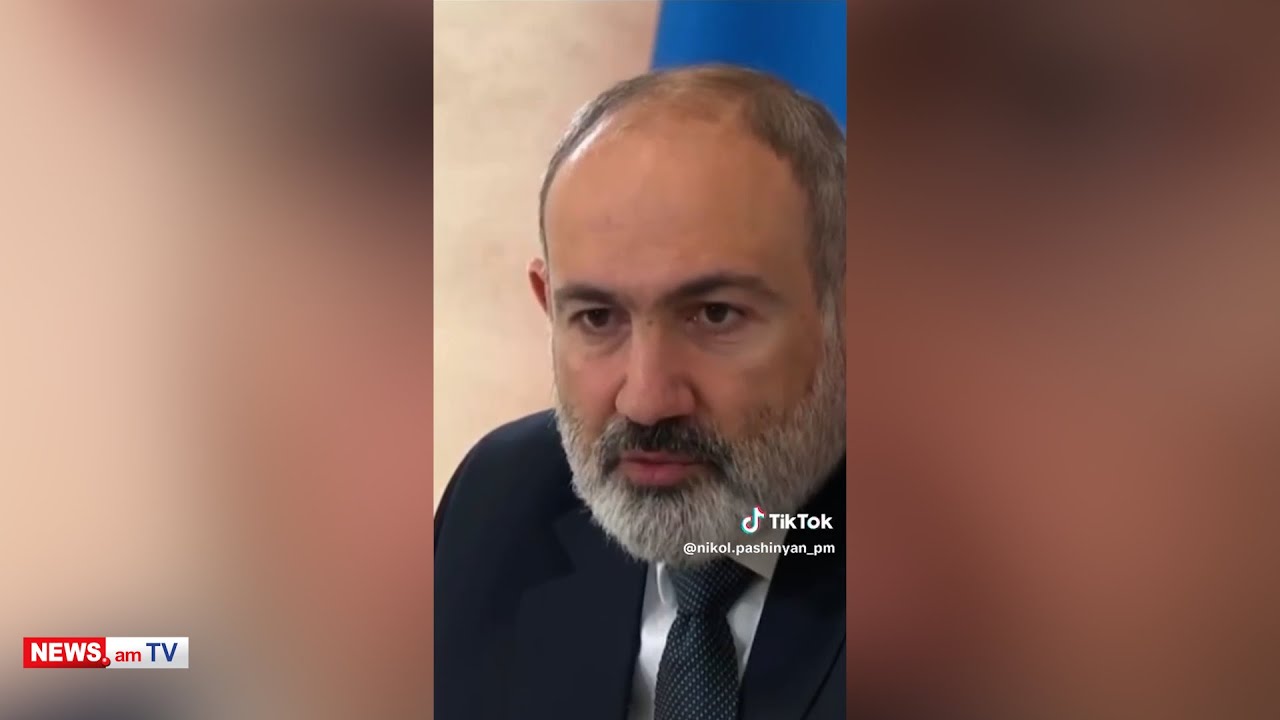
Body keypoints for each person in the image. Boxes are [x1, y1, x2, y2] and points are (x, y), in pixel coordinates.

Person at [434, 64, 847, 720]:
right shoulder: (503, 501)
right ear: (548, 305)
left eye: (715, 314)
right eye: (598, 317)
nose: (646, 401)